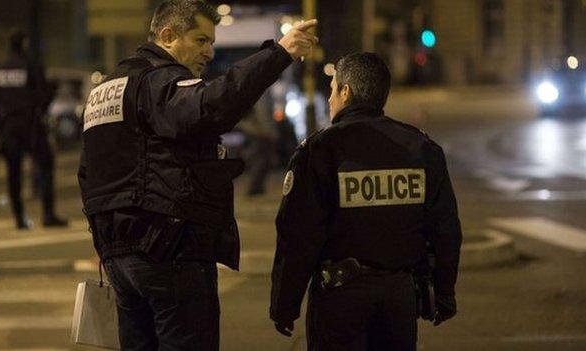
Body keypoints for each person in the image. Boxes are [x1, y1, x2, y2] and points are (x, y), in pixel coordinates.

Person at [77, 1, 317, 350]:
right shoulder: (159, 81)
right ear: (168, 36)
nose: (208, 51)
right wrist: (279, 54)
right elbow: (211, 105)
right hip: (167, 247)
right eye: (201, 40)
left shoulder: (105, 91)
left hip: (119, 255)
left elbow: (87, 173)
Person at [270, 53, 462, 351]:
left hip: (340, 300)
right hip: (399, 298)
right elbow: (445, 228)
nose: (330, 98)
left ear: (345, 91)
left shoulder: (320, 150)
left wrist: (285, 305)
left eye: (332, 89)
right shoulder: (420, 148)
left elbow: (298, 235)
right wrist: (445, 293)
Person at [0, 29, 68, 229]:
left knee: (14, 173)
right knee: (45, 165)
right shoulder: (31, 66)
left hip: (10, 127)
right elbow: (45, 93)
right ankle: (47, 215)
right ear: (24, 44)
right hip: (31, 125)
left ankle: (19, 219)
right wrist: (39, 112)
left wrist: (0, 124)